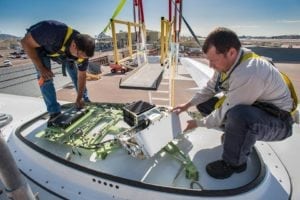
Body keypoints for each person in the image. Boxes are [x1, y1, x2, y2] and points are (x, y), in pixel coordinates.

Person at [172, 27, 295, 179]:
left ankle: (234, 163)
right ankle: (236, 135)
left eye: (213, 61)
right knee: (206, 104)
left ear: (231, 52)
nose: (211, 66)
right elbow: (210, 88)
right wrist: (187, 105)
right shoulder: (230, 62)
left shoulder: (250, 72)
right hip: (258, 107)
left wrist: (198, 123)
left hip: (278, 121)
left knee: (239, 116)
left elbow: (227, 110)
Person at [21, 20, 95, 122]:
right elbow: (25, 42)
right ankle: (54, 112)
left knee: (75, 73)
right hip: (40, 48)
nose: (81, 59)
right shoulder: (52, 30)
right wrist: (41, 68)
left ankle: (83, 100)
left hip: (63, 53)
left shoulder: (82, 53)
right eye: (79, 56)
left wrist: (79, 97)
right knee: (45, 77)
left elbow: (81, 76)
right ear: (74, 46)